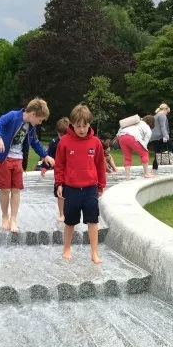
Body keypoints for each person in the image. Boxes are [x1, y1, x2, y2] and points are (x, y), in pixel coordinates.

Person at [0, 98, 55, 233]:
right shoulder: (13, 116)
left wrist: (45, 155)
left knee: (16, 190)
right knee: (5, 189)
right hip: (4, 158)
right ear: (33, 115)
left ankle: (13, 220)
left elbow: (35, 143)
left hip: (17, 160)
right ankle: (5, 217)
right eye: (40, 120)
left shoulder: (31, 128)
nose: (40, 123)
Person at [54, 104, 106, 264]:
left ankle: (94, 252)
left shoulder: (96, 143)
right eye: (78, 126)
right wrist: (59, 184)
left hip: (90, 188)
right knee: (70, 221)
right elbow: (60, 165)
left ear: (89, 124)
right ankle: (67, 248)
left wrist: (101, 185)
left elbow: (100, 165)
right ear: (72, 124)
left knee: (93, 220)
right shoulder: (64, 142)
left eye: (85, 125)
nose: (82, 129)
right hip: (72, 188)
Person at [39, 117, 70, 222]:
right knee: (60, 194)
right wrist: (44, 166)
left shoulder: (74, 142)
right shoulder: (54, 143)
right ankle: (61, 214)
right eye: (60, 135)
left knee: (71, 194)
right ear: (57, 133)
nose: (62, 137)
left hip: (71, 173)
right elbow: (49, 156)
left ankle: (69, 212)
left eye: (65, 135)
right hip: (59, 173)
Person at [150, 103, 173, 174]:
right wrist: (165, 136)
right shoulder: (162, 115)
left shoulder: (155, 116)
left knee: (157, 154)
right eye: (167, 112)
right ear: (165, 109)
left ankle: (154, 171)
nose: (167, 114)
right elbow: (163, 127)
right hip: (162, 137)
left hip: (154, 138)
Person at [117, 115, 155, 180]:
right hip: (132, 137)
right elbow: (145, 144)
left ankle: (127, 177)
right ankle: (146, 174)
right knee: (144, 153)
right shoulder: (147, 128)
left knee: (127, 158)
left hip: (121, 136)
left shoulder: (134, 123)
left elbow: (120, 129)